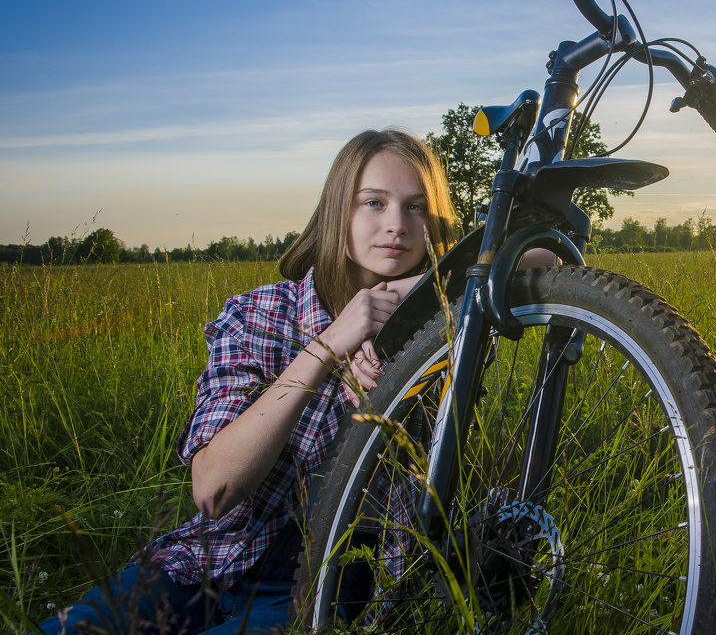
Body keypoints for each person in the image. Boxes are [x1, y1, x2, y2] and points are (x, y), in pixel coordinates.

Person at [36, 129, 459, 634]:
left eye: (415, 208)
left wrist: (411, 298)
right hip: (209, 558)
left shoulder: (445, 326)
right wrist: (326, 347)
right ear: (337, 213)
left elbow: (542, 259)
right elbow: (214, 491)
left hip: (325, 575)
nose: (396, 226)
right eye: (373, 202)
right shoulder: (256, 315)